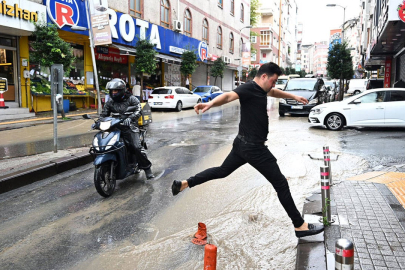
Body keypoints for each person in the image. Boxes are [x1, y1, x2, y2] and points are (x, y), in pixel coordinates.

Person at [171, 62, 324, 238]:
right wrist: (209, 103)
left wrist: (293, 96)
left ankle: (185, 183)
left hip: (241, 144)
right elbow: (228, 96)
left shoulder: (262, 88)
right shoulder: (248, 88)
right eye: (273, 80)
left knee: (222, 171)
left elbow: (273, 92)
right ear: (264, 76)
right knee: (281, 183)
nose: (274, 84)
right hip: (254, 148)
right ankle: (300, 225)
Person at [101, 78, 155, 179]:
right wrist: (99, 122)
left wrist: (130, 118)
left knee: (136, 147)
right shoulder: (110, 102)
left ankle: (147, 168)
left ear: (122, 90)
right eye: (112, 91)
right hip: (115, 127)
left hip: (130, 127)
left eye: (116, 90)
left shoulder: (131, 99)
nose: (114, 93)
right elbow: (104, 114)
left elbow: (139, 110)